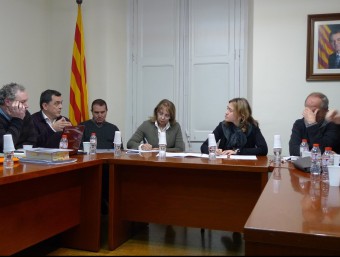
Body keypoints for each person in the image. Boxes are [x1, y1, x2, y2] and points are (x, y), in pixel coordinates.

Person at [80, 99, 122, 215]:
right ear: (91, 112)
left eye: (102, 112)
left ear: (106, 111)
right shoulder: (83, 127)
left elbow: (120, 149)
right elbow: (78, 150)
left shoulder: (113, 128)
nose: (99, 115)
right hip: (89, 167)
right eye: (96, 112)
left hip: (109, 168)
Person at [200, 97, 268, 156]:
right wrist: (213, 151)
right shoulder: (222, 126)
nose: (226, 112)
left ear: (241, 115)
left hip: (245, 166)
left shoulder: (252, 127)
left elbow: (263, 149)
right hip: (224, 165)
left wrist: (237, 152)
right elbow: (204, 146)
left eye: (230, 110)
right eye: (227, 109)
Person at [0, 82, 37, 152]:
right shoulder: (20, 115)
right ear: (7, 102)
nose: (27, 106)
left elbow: (32, 141)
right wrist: (17, 119)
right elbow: (4, 146)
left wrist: (17, 151)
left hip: (21, 158)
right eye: (22, 102)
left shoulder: (25, 113)